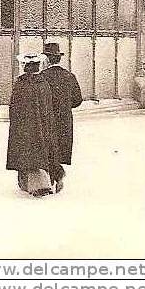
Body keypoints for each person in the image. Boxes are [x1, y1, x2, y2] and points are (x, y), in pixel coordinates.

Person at [6, 53, 61, 198]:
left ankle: (32, 185)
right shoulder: (44, 83)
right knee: (42, 150)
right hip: (43, 125)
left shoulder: (20, 84)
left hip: (24, 126)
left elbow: (13, 107)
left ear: (25, 67)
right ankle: (44, 181)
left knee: (25, 153)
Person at [40, 42, 83, 193]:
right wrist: (64, 106)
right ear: (58, 58)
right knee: (60, 147)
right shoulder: (69, 76)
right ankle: (58, 175)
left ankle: (53, 177)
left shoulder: (42, 77)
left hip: (47, 119)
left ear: (46, 59)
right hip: (65, 119)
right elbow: (78, 100)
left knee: (48, 147)